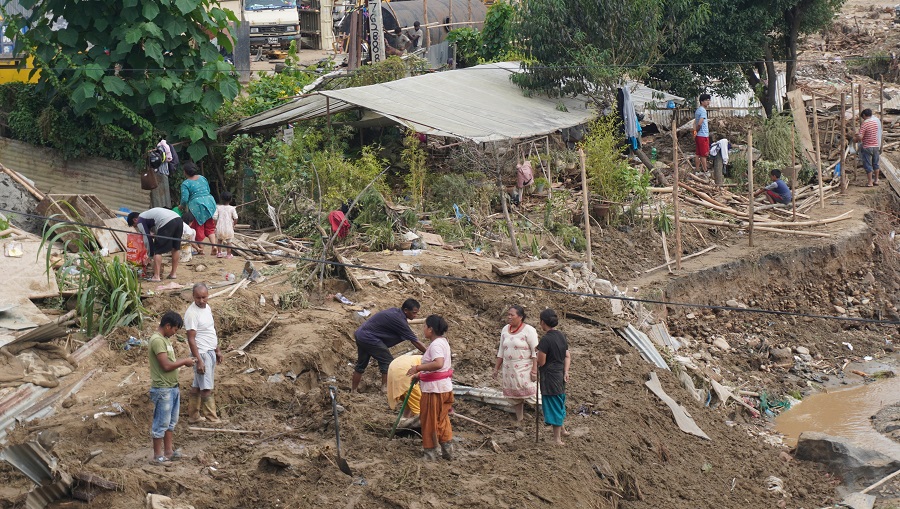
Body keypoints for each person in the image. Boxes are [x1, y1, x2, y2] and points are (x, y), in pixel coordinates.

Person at [148, 311, 195, 464]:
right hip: (163, 389)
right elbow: (166, 366)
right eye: (175, 329)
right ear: (168, 326)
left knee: (170, 423)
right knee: (161, 423)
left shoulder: (165, 340)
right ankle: (157, 456)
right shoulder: (157, 341)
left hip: (172, 387)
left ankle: (168, 452)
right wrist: (184, 362)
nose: (175, 333)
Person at [352, 299, 427, 392]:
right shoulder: (399, 321)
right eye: (414, 313)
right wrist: (429, 353)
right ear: (406, 310)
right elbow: (415, 341)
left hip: (361, 334)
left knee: (361, 365)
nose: (415, 316)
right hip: (370, 338)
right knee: (388, 362)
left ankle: (353, 391)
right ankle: (385, 388)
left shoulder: (395, 312)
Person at [406, 315, 453, 461]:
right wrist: (421, 375)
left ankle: (430, 453)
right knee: (442, 419)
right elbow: (440, 368)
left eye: (424, 326)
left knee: (429, 420)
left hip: (434, 390)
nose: (423, 329)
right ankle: (447, 450)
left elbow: (438, 364)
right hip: (443, 387)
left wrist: (417, 368)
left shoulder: (436, 345)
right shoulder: (443, 342)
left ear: (430, 329)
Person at [184, 283, 225, 424]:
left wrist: (217, 350)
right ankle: (212, 418)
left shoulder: (207, 308)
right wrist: (199, 360)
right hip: (201, 353)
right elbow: (191, 339)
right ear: (193, 297)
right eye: (198, 298)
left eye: (204, 297)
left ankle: (193, 416)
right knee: (206, 387)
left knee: (197, 385)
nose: (201, 300)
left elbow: (210, 330)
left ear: (208, 295)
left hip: (210, 351)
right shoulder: (191, 314)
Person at [493, 305, 538, 421]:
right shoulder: (505, 329)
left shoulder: (529, 330)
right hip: (509, 369)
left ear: (520, 317)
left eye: (512, 315)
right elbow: (501, 351)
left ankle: (549, 418)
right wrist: (496, 368)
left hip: (524, 369)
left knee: (533, 395)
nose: (509, 317)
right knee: (515, 397)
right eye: (508, 314)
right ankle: (520, 418)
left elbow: (535, 352)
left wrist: (534, 370)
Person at [535, 308, 570, 445]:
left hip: (549, 376)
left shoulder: (546, 340)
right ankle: (563, 430)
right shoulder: (561, 335)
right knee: (560, 400)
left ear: (543, 322)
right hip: (560, 374)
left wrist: (537, 356)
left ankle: (557, 439)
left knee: (554, 403)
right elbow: (567, 356)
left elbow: (541, 361)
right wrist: (566, 371)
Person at [127, 208, 183, 282]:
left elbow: (147, 238)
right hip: (178, 219)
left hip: (167, 222)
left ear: (135, 220)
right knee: (176, 247)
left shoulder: (140, 220)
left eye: (135, 226)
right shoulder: (148, 214)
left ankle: (156, 276)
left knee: (157, 250)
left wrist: (150, 255)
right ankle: (173, 274)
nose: (138, 228)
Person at [180, 162, 218, 256]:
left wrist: (181, 206)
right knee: (210, 227)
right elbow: (208, 190)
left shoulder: (185, 183)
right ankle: (214, 246)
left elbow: (184, 199)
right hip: (209, 203)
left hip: (197, 206)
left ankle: (201, 249)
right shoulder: (202, 178)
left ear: (185, 172)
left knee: (199, 227)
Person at [387, 354, 422, 428]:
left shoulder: (421, 357)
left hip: (394, 367)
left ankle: (403, 422)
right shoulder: (435, 363)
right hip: (405, 370)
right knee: (419, 405)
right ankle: (421, 429)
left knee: (409, 400)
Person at [855, 108, 882, 187]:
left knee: (868, 164)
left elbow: (860, 137)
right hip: (876, 145)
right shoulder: (875, 122)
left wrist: (855, 139)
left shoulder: (865, 123)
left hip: (867, 146)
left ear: (864, 115)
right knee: (876, 163)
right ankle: (876, 180)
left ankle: (870, 182)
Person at [213, 191, 238, 258]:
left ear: (221, 199)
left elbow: (214, 217)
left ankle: (219, 253)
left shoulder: (218, 207)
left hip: (220, 228)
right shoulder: (232, 208)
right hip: (229, 228)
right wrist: (233, 225)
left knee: (219, 240)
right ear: (230, 199)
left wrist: (216, 225)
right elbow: (236, 218)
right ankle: (228, 254)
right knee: (229, 242)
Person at [694, 93, 711, 174]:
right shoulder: (703, 111)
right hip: (703, 135)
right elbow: (700, 123)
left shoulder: (698, 110)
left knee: (698, 153)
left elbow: (695, 122)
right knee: (704, 154)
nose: (708, 102)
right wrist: (697, 129)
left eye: (709, 100)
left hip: (698, 136)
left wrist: (695, 132)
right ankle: (706, 171)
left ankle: (697, 170)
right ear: (701, 102)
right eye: (706, 100)